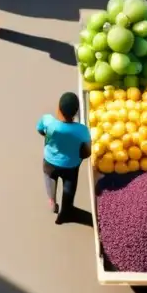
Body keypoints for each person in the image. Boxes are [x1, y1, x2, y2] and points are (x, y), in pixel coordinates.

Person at [38, 92, 91, 223]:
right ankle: (66, 212)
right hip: (71, 165)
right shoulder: (82, 130)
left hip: (49, 162)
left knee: (50, 180)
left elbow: (40, 130)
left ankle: (52, 202)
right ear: (76, 112)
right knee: (69, 187)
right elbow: (87, 151)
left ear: (58, 108)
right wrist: (80, 156)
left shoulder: (48, 121)